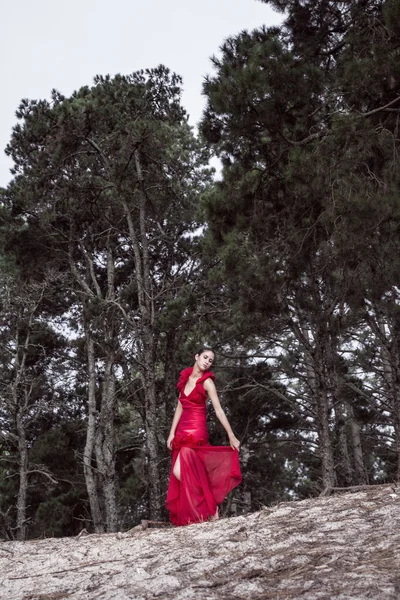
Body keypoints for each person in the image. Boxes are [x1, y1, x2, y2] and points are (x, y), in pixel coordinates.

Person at [165, 348, 242, 526]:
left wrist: (231, 435)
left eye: (211, 360)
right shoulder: (185, 379)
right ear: (196, 356)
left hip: (196, 428)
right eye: (205, 357)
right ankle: (209, 508)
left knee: (180, 471)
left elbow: (218, 410)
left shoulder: (207, 382)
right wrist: (171, 433)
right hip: (182, 429)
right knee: (185, 471)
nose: (207, 361)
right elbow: (180, 407)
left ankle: (210, 505)